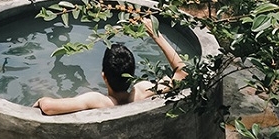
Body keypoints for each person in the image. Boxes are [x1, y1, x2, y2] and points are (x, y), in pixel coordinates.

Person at [33, 16, 187, 115]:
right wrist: (155, 35)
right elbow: (182, 74)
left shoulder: (96, 101)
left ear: (104, 76)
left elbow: (48, 107)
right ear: (132, 75)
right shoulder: (143, 91)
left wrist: (41, 100)